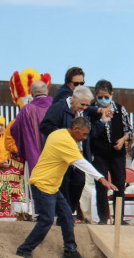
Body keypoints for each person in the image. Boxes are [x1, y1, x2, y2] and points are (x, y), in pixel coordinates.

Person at [15, 117, 116, 258]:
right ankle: (24, 249)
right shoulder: (65, 141)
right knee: (47, 220)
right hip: (42, 184)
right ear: (75, 130)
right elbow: (81, 163)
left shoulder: (58, 133)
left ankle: (70, 250)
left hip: (52, 185)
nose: (85, 138)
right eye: (84, 134)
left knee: (68, 216)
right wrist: (101, 178)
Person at [40, 85, 97, 222]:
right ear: (74, 98)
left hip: (79, 154)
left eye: (87, 105)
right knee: (64, 183)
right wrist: (64, 136)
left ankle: (67, 213)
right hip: (63, 155)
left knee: (79, 182)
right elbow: (45, 126)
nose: (84, 107)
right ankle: (63, 217)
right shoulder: (59, 107)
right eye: (82, 104)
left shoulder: (84, 112)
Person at [89, 80, 132, 224]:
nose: (103, 99)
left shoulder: (120, 109)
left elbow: (129, 131)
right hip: (99, 153)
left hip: (117, 153)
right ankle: (103, 217)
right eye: (100, 97)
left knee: (119, 184)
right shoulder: (92, 109)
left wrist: (122, 140)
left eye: (106, 96)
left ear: (112, 94)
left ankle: (118, 218)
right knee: (101, 184)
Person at [9, 80, 52, 219]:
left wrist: (24, 146)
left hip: (34, 153)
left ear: (32, 93)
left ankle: (40, 213)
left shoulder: (26, 109)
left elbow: (14, 129)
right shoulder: (55, 105)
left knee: (37, 181)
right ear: (47, 91)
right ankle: (58, 212)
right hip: (54, 153)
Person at [0, 115, 21, 220]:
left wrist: (9, 161)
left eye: (1, 125)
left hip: (9, 171)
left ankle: (13, 215)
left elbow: (14, 152)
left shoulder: (9, 139)